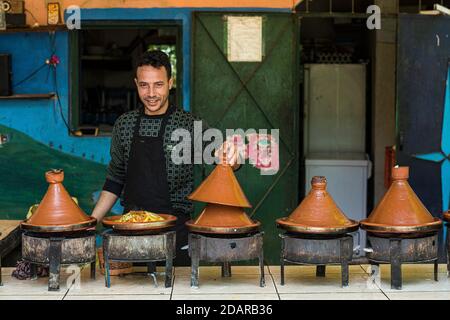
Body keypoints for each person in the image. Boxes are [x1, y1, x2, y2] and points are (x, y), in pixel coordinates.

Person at [91, 50, 239, 265]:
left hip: (176, 234)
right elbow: (115, 179)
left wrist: (231, 156)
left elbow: (225, 160)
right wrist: (91, 221)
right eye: (144, 85)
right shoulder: (124, 125)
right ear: (136, 83)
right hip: (132, 231)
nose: (151, 93)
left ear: (170, 82)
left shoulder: (189, 125)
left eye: (158, 85)